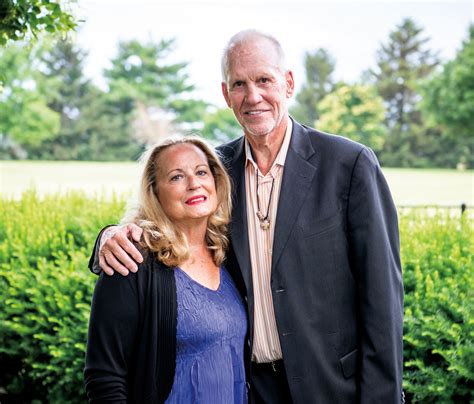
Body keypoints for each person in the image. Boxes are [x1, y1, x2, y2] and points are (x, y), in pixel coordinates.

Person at [90, 30, 404, 403]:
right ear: (226, 95)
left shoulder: (348, 165)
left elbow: (382, 299)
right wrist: (109, 236)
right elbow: (159, 217)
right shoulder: (216, 172)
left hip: (333, 388)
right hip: (252, 389)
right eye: (239, 84)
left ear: (288, 83)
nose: (253, 96)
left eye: (264, 80)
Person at [84, 137, 248, 403]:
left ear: (216, 180)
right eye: (176, 177)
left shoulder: (229, 253)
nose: (194, 184)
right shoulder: (131, 260)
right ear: (154, 192)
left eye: (201, 172)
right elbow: (104, 377)